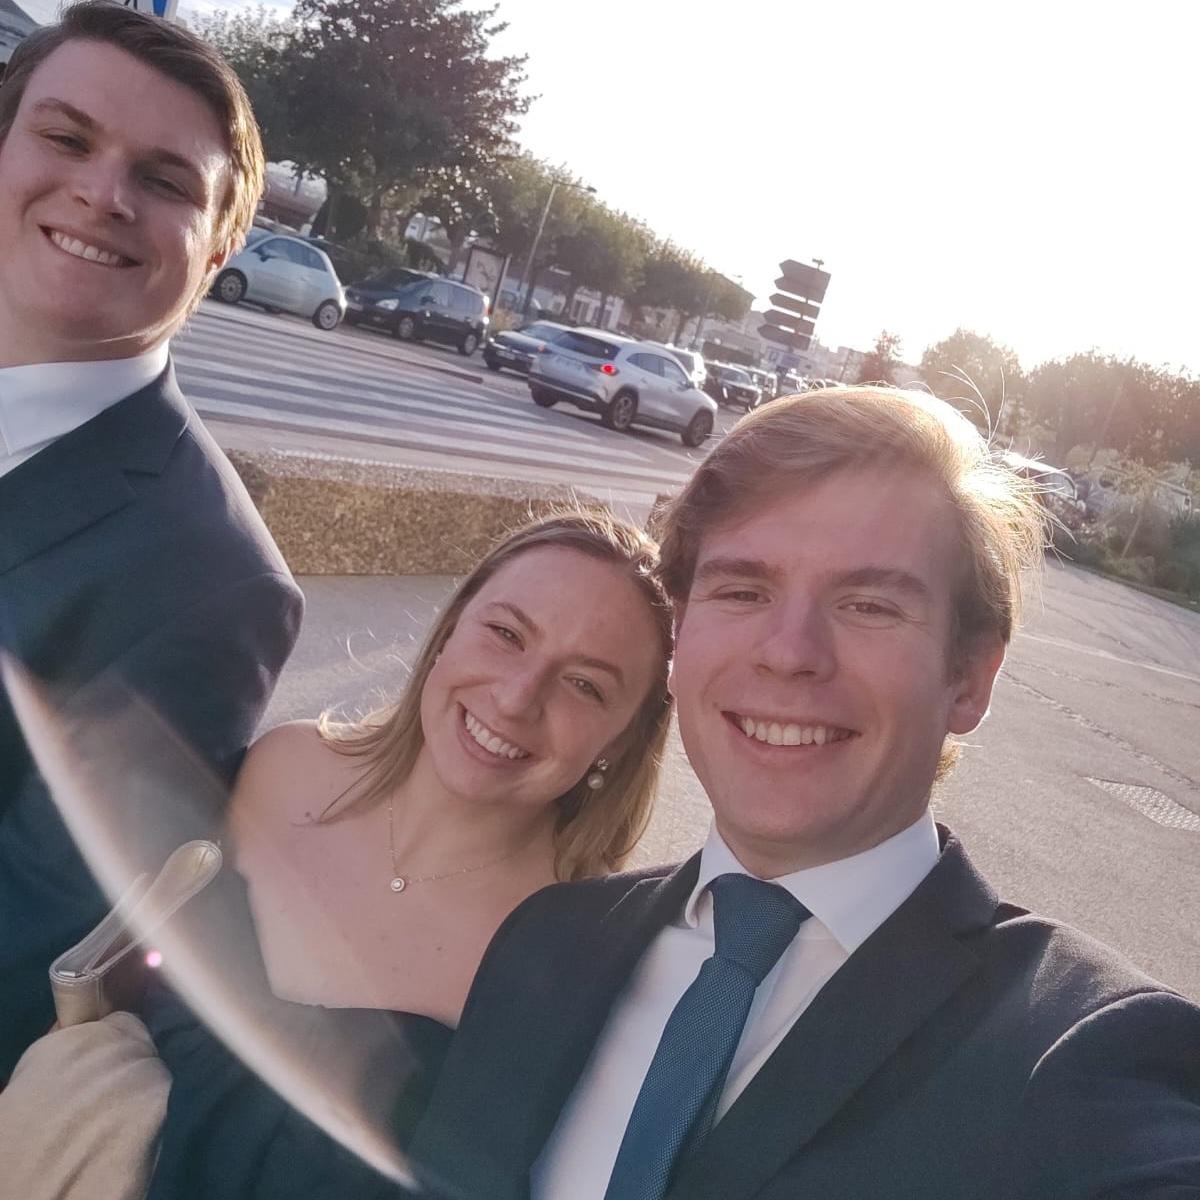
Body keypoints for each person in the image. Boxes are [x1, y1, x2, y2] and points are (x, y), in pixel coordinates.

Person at [410, 387, 1200, 1199]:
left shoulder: (1082, 1055)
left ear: (970, 678)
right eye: (743, 591)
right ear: (680, 641)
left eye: (868, 605)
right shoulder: (545, 943)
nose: (789, 653)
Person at [0, 511, 675, 1199]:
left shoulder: (570, 962)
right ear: (449, 630)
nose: (515, 697)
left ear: (621, 740)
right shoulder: (280, 765)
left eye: (585, 684)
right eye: (505, 634)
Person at [0, 1, 303, 1077]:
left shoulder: (212, 582)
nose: (102, 192)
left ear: (219, 249)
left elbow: (28, 943)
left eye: (166, 180)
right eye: (66, 137)